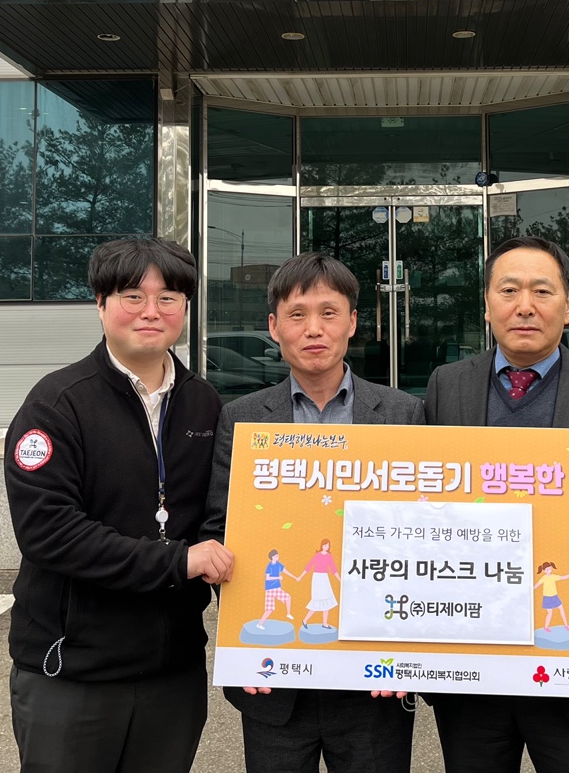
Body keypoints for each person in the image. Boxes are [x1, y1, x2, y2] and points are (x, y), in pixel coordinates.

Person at [4, 237, 234, 773]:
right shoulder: (57, 403)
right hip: (73, 672)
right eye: (133, 296)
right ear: (101, 304)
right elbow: (48, 533)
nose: (151, 311)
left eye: (168, 297)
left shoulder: (203, 402)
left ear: (185, 308)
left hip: (172, 672)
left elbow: (222, 517)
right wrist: (178, 561)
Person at [423, 236, 569, 773]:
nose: (524, 306)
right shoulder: (446, 386)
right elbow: (425, 512)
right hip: (472, 667)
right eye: (509, 290)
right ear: (487, 304)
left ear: (568, 305)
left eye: (542, 291)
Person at [202, 252, 422, 773]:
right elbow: (220, 529)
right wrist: (243, 638)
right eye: (297, 315)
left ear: (353, 322)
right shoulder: (242, 419)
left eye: (329, 313)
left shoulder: (403, 414)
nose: (314, 329)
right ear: (274, 327)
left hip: (375, 679)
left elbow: (422, 534)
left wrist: (407, 646)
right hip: (273, 682)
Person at [258, 549, 298, 629]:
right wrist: (278, 577)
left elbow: (286, 571)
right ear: (272, 557)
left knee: (288, 597)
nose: (278, 557)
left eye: (278, 555)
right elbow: (267, 578)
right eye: (276, 556)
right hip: (270, 589)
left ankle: (288, 614)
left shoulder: (279, 565)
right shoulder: (269, 566)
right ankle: (260, 624)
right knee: (269, 609)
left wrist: (295, 577)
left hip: (276, 588)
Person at [533, 562, 569, 632]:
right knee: (550, 613)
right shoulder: (544, 578)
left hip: (554, 596)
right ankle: (546, 627)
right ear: (544, 571)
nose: (549, 570)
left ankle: (566, 625)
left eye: (550, 569)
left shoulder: (553, 576)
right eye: (547, 569)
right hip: (547, 598)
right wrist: (530, 589)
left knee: (561, 609)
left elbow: (563, 577)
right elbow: (537, 585)